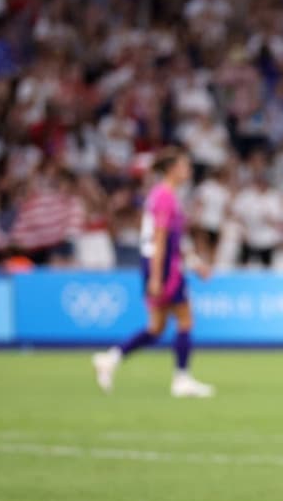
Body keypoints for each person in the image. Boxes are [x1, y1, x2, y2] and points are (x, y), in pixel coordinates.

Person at [92, 148, 215, 398]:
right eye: (184, 166)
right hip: (163, 266)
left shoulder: (164, 195)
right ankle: (182, 379)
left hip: (162, 263)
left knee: (156, 327)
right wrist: (157, 277)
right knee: (185, 320)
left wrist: (194, 262)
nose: (188, 170)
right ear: (171, 169)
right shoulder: (164, 197)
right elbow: (160, 239)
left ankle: (111, 358)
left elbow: (173, 240)